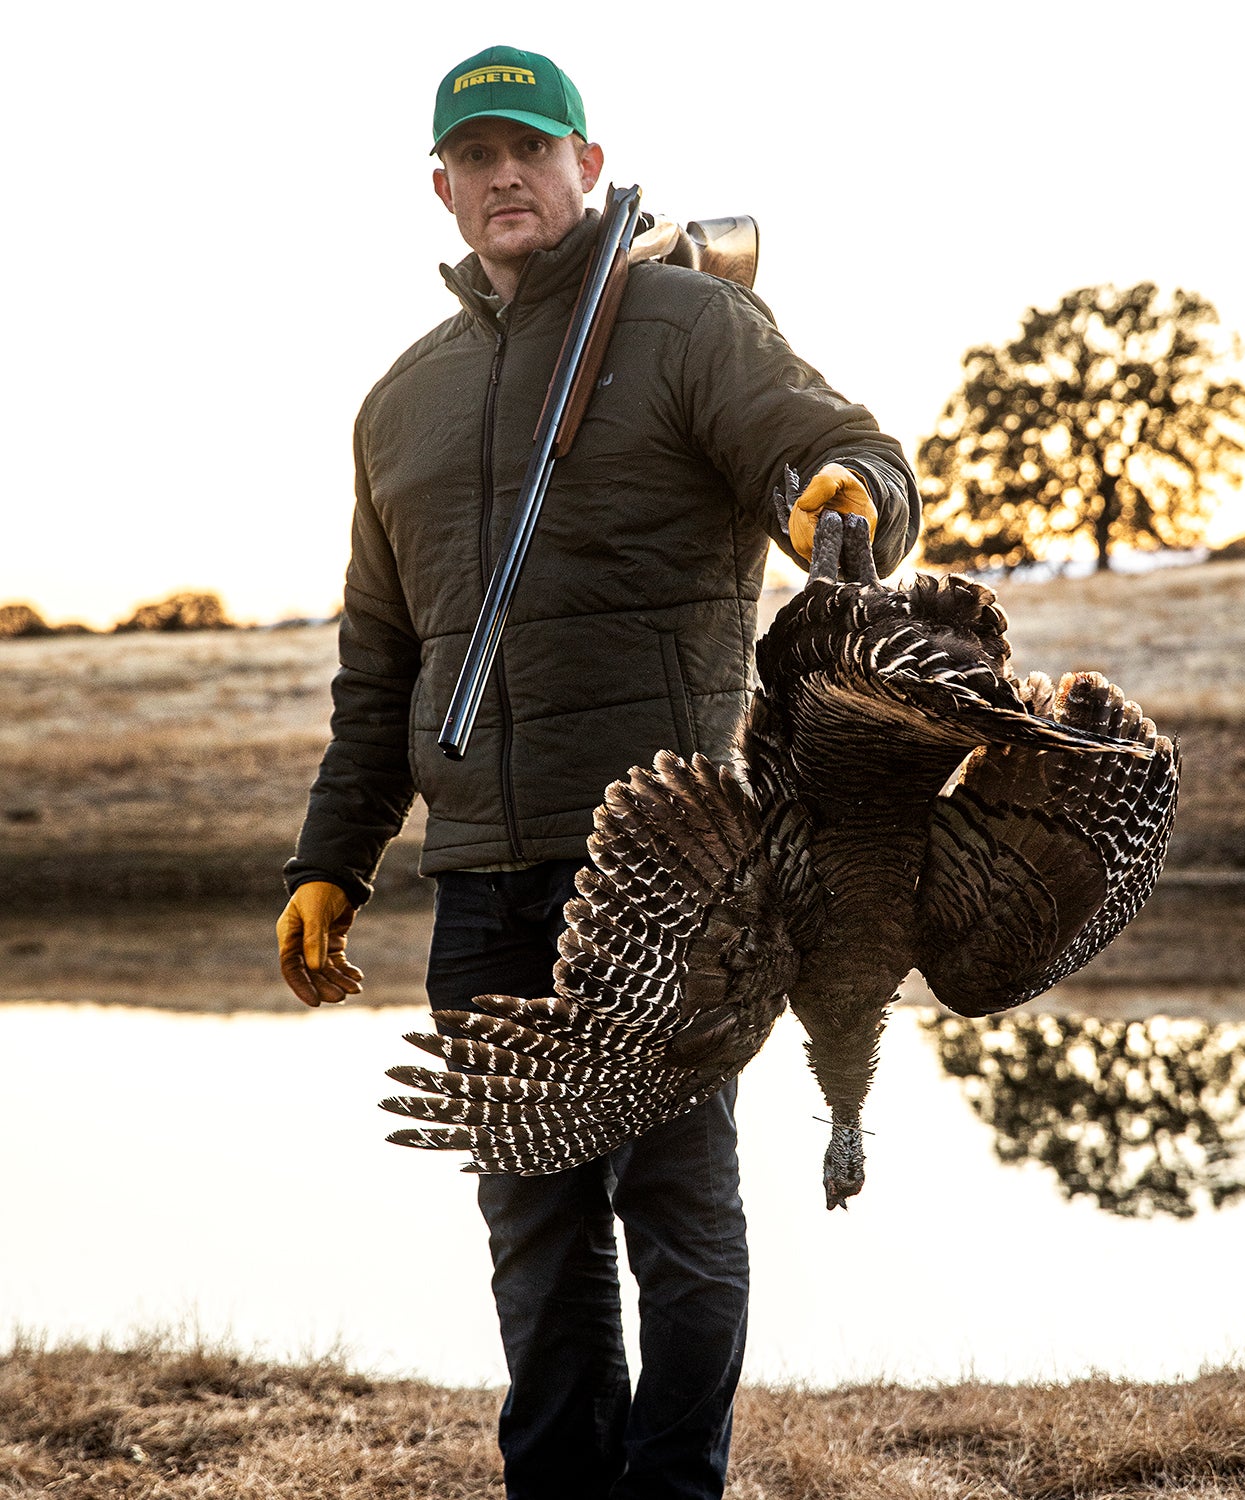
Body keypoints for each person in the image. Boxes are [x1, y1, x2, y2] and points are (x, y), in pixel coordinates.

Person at [275, 43, 918, 1500]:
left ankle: (674, 1484)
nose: (507, 174)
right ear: (441, 186)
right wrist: (328, 861)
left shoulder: (691, 323)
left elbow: (849, 454)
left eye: (533, 148)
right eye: (477, 154)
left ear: (588, 161)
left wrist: (850, 502)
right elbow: (382, 671)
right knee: (532, 1224)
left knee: (676, 1205)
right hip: (485, 879)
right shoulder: (401, 403)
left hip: (665, 867)